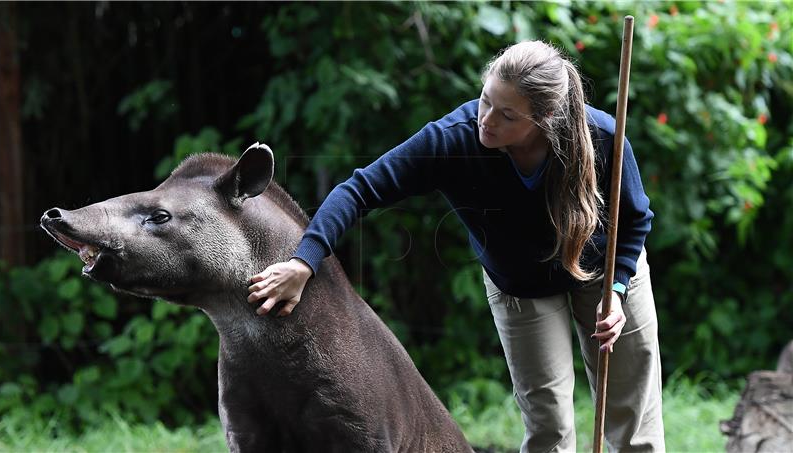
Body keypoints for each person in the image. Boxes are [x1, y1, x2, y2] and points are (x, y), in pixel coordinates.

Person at [246, 40, 665, 452]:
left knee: (633, 420)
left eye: (506, 115)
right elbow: (359, 189)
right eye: (485, 100)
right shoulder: (453, 140)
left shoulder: (604, 138)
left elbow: (635, 219)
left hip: (605, 271)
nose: (486, 120)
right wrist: (304, 262)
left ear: (545, 117)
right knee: (548, 427)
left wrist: (616, 291)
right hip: (520, 285)